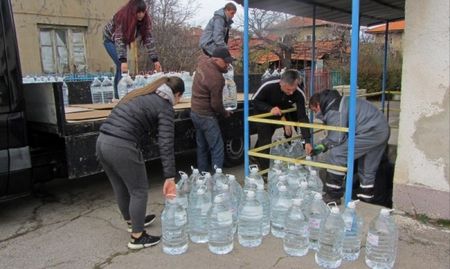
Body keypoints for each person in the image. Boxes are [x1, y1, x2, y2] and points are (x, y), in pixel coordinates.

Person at [96, 76, 184, 249]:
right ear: (177, 94)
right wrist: (169, 177)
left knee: (120, 186)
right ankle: (138, 237)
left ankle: (132, 221)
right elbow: (166, 144)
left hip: (102, 142)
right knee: (139, 190)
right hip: (121, 146)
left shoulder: (142, 95)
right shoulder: (165, 106)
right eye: (180, 98)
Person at [308, 89, 390, 205]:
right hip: (380, 129)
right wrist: (322, 146)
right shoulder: (338, 102)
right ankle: (366, 197)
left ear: (318, 104)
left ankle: (332, 195)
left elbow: (337, 138)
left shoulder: (334, 109)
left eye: (314, 110)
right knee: (367, 165)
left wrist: (321, 146)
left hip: (371, 131)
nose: (316, 115)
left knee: (337, 154)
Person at [251, 69, 312, 171]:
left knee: (269, 136)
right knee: (265, 141)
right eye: (288, 89)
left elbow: (302, 117)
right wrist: (269, 109)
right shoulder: (269, 85)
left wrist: (307, 140)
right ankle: (265, 172)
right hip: (263, 112)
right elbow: (255, 100)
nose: (291, 92)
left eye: (294, 89)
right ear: (281, 83)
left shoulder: (298, 93)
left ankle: (256, 156)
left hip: (279, 112)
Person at [103, 0, 162, 99]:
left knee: (120, 67)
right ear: (132, 11)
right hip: (110, 40)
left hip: (121, 42)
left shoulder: (144, 21)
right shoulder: (122, 18)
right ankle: (120, 96)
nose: (141, 15)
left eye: (143, 12)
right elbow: (119, 39)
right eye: (138, 12)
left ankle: (117, 95)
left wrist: (155, 60)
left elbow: (149, 40)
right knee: (120, 65)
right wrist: (123, 60)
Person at [190, 47, 233, 172]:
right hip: (206, 116)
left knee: (202, 147)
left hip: (195, 112)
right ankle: (217, 178)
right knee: (217, 148)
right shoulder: (217, 78)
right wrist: (225, 113)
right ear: (216, 59)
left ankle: (203, 175)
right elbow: (216, 105)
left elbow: (201, 56)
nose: (228, 65)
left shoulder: (203, 63)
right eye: (225, 62)